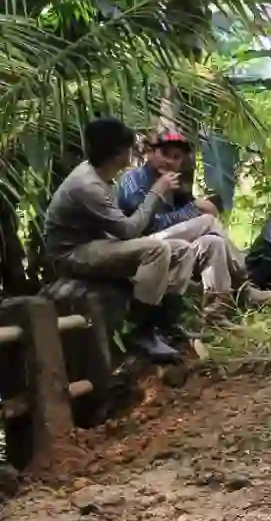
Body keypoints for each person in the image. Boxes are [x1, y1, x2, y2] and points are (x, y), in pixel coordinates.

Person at [43, 116, 196, 359]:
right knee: (157, 250)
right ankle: (138, 330)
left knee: (183, 249)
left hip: (98, 243)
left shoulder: (103, 176)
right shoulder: (87, 185)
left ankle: (164, 322)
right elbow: (128, 230)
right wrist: (157, 191)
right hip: (73, 253)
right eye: (128, 147)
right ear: (116, 153)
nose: (132, 151)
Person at [117, 130, 271, 322]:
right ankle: (243, 283)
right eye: (164, 154)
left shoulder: (175, 184)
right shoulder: (133, 180)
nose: (169, 161)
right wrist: (193, 208)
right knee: (207, 222)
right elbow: (149, 225)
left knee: (213, 242)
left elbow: (180, 219)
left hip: (173, 247)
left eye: (176, 157)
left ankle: (216, 314)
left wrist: (191, 205)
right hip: (142, 248)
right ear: (150, 153)